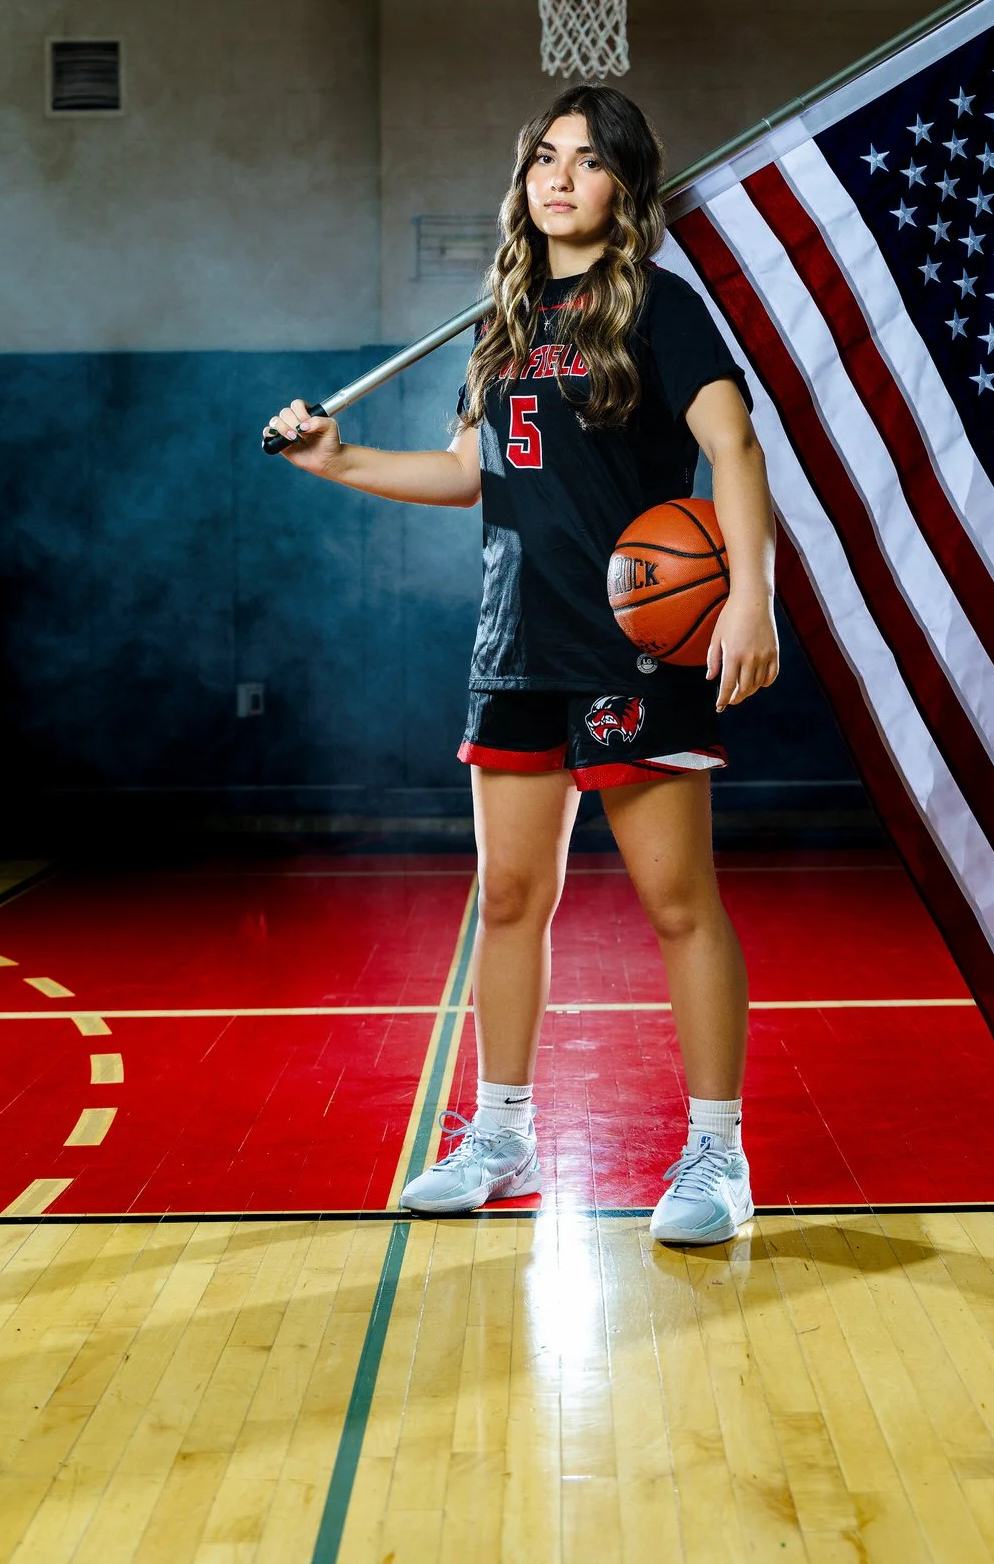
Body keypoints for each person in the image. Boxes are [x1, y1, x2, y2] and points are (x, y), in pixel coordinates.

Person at [264, 85, 779, 1244]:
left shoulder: (660, 305)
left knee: (677, 902)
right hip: (514, 641)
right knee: (506, 899)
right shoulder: (499, 320)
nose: (558, 177)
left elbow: (733, 446)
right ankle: (499, 1132)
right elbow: (467, 476)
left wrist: (752, 595)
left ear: (623, 186)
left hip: (634, 644)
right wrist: (337, 460)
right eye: (544, 157)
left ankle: (717, 1152)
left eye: (587, 161)